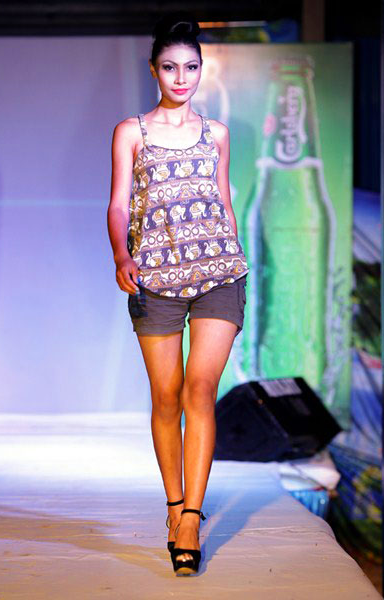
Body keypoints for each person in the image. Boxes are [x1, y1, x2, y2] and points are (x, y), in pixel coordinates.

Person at [107, 11, 249, 576]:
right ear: (154, 70)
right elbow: (119, 203)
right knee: (166, 397)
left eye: (190, 67)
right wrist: (122, 255)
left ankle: (191, 518)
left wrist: (236, 254)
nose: (181, 77)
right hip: (156, 280)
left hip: (219, 274)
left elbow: (224, 201)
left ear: (201, 69)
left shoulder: (218, 134)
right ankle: (173, 504)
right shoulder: (131, 132)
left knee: (200, 389)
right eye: (170, 67)